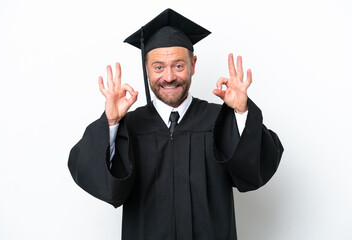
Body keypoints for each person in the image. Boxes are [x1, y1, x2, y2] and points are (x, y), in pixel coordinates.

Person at [68, 8, 283, 240]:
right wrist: (111, 122)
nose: (169, 77)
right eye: (158, 67)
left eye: (179, 66)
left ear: (193, 64)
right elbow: (106, 187)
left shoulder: (218, 120)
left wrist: (241, 111)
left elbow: (254, 171)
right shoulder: (129, 126)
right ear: (147, 70)